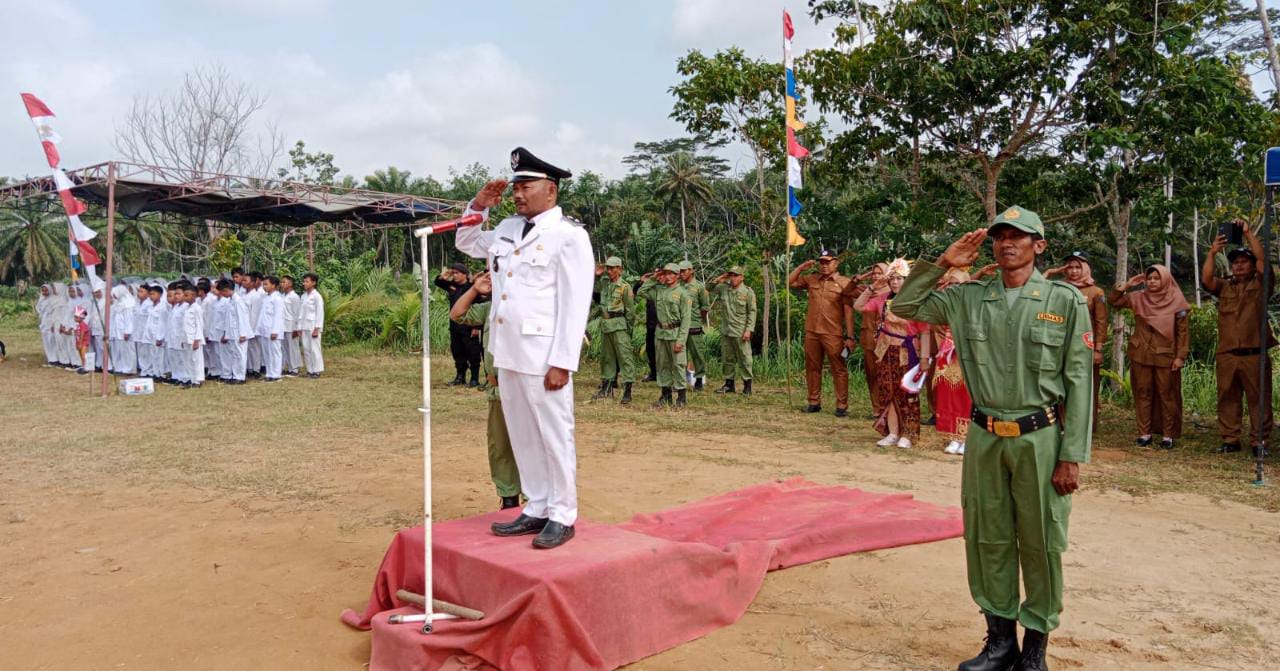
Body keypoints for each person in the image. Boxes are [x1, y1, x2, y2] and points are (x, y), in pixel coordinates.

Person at [892, 205, 1092, 671]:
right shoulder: (967, 297)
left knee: (1042, 540)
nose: (1007, 243)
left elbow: (1080, 381)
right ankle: (1000, 642)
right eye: (1000, 235)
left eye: (1019, 236)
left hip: (1040, 437)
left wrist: (1072, 456)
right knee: (989, 537)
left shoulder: (1064, 300)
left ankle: (1035, 650)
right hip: (984, 436)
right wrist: (945, 263)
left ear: (1038, 246)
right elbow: (903, 307)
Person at [455, 147, 594, 549]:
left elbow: (575, 303)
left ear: (550, 190)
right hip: (508, 350)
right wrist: (480, 205)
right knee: (522, 433)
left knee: (553, 432)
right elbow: (466, 240)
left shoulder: (569, 236)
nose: (517, 194)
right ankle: (537, 505)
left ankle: (563, 513)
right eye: (514, 186)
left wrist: (563, 361)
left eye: (525, 186)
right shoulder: (507, 229)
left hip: (544, 354)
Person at [1201, 221, 1276, 456]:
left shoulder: (1261, 284)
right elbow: (1207, 280)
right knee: (1227, 397)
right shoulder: (1225, 288)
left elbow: (1264, 262)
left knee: (1259, 400)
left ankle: (1259, 442)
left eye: (1244, 262)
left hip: (1254, 354)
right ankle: (1230, 439)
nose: (1239, 266)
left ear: (1252, 266)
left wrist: (1247, 233)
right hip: (1228, 355)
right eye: (1235, 262)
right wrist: (1213, 252)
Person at [451, 271, 523, 510]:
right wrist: (474, 290)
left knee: (530, 443)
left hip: (524, 389)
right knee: (500, 445)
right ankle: (509, 496)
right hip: (498, 389)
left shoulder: (528, 305)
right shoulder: (489, 309)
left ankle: (536, 499)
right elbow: (457, 314)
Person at [1109, 265, 1190, 449]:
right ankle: (1144, 433)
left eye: (1156, 278)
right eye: (1149, 278)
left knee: (1167, 395)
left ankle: (1168, 435)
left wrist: (1180, 357)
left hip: (1166, 355)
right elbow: (1114, 301)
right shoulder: (1138, 297)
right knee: (1142, 393)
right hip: (1141, 354)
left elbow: (1183, 333)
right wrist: (1125, 286)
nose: (1152, 281)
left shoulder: (1177, 301)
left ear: (1166, 279)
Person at [854, 259, 930, 449]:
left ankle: (908, 433)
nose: (895, 283)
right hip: (885, 350)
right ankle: (893, 432)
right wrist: (872, 287)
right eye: (892, 279)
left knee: (907, 393)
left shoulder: (914, 302)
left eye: (900, 279)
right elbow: (858, 306)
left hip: (907, 351)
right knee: (887, 392)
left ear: (907, 280)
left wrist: (924, 359)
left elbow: (925, 332)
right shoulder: (883, 299)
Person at [1045, 252, 1108, 430]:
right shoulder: (1059, 288)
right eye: (1070, 267)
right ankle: (1063, 424)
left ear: (1085, 269)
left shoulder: (1096, 292)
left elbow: (1101, 322)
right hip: (1061, 346)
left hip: (1086, 347)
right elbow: (1036, 288)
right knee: (1061, 385)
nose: (1073, 271)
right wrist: (1050, 272)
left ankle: (1087, 426)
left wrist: (1098, 349)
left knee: (1087, 387)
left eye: (1077, 267)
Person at [788, 248, 852, 417]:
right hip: (813, 332)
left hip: (833, 333)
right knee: (812, 367)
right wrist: (802, 267)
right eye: (821, 262)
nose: (824, 266)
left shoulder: (845, 283)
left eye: (828, 262)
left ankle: (841, 405)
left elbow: (848, 311)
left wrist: (850, 336)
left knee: (839, 368)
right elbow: (790, 282)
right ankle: (814, 402)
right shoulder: (812, 279)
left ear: (836, 263)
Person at [637, 263, 692, 408]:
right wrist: (654, 278)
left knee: (679, 365)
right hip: (660, 334)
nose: (667, 276)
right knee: (662, 365)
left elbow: (686, 320)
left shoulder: (683, 294)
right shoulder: (659, 291)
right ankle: (665, 395)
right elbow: (641, 292)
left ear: (677, 275)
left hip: (675, 334)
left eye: (671, 273)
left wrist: (681, 340)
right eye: (665, 273)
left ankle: (681, 397)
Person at [843, 263, 889, 417]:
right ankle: (877, 409)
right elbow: (847, 292)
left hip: (887, 339)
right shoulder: (866, 290)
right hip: (868, 338)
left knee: (887, 374)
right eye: (874, 273)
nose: (876, 276)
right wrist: (859, 279)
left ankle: (888, 407)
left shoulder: (893, 292)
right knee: (872, 374)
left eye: (879, 273)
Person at [591, 256, 636, 403]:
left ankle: (627, 391)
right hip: (606, 325)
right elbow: (589, 287)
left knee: (625, 358)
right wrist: (595, 275)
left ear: (619, 269)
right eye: (608, 268)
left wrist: (628, 329)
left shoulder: (625, 287)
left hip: (619, 325)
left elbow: (630, 311)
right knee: (607, 358)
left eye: (612, 268)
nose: (609, 271)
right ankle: (606, 388)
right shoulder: (604, 283)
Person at [708, 266, 757, 395]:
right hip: (726, 330)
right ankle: (729, 385)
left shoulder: (747, 292)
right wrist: (720, 278)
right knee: (727, 358)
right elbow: (708, 288)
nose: (733, 278)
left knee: (745, 358)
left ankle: (747, 386)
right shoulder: (724, 289)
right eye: (731, 275)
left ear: (742, 277)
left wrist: (749, 330)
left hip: (740, 331)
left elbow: (752, 312)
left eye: (736, 275)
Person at [436, 263, 484, 387]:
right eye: (454, 273)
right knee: (457, 351)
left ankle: (474, 379)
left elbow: (480, 307)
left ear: (465, 274)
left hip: (469, 325)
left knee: (472, 352)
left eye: (457, 273)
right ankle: (460, 376)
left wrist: (477, 327)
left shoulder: (472, 288)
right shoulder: (453, 286)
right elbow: (439, 283)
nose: (455, 276)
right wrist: (444, 276)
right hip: (455, 326)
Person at [678, 260, 712, 390]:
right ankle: (680, 380)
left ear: (691, 270)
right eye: (680, 271)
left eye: (684, 271)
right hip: (680, 325)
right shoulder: (678, 286)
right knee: (680, 354)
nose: (681, 274)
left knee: (697, 353)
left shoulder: (699, 287)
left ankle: (699, 379)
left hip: (694, 325)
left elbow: (705, 307)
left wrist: (698, 320)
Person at [215, 278, 251, 384]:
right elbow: (229, 319)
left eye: (221, 292)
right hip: (233, 332)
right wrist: (226, 333)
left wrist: (243, 334)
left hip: (239, 332)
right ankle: (235, 375)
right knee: (234, 354)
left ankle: (240, 377)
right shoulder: (231, 300)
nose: (221, 294)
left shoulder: (238, 301)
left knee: (240, 354)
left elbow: (243, 317)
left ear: (226, 290)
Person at [257, 276, 285, 382]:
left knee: (275, 352)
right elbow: (263, 315)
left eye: (266, 284)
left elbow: (278, 316)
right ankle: (269, 373)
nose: (264, 286)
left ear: (273, 285)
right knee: (267, 353)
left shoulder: (277, 298)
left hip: (273, 330)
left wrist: (275, 331)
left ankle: (276, 374)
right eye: (263, 284)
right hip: (265, 330)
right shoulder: (266, 298)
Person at [300, 272, 325, 378]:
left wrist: (317, 328)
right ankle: (310, 370)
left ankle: (317, 370)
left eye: (307, 281)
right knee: (306, 349)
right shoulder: (304, 296)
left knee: (315, 349)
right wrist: (299, 327)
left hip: (313, 326)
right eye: (304, 281)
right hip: (305, 325)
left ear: (313, 283)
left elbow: (320, 313)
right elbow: (301, 313)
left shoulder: (317, 296)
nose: (304, 283)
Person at [108, 284, 137, 375]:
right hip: (118, 331)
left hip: (126, 332)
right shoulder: (119, 303)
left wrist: (127, 331)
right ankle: (120, 368)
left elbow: (129, 319)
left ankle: (130, 369)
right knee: (120, 351)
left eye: (114, 294)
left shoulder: (129, 303)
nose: (113, 297)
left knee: (128, 351)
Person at [181, 282, 205, 388]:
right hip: (187, 337)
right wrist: (183, 339)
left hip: (195, 338)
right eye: (184, 295)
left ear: (194, 296)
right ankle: (191, 378)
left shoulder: (197, 308)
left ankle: (198, 380)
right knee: (189, 360)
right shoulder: (186, 308)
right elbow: (185, 325)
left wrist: (197, 339)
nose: (184, 297)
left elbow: (199, 325)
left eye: (187, 295)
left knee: (197, 360)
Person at [280, 275, 303, 377]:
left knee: (293, 348)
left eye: (284, 282)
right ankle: (289, 367)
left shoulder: (294, 297)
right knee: (285, 348)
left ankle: (295, 369)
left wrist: (296, 328)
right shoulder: (282, 296)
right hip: (283, 325)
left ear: (290, 283)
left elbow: (297, 313)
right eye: (281, 282)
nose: (282, 284)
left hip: (291, 326)